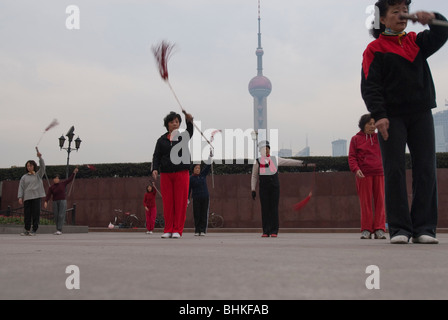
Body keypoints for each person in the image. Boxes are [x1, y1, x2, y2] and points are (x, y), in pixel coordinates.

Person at [361, 0, 448, 244]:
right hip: (392, 117)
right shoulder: (374, 49)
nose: (402, 15)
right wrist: (379, 115)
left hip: (421, 113)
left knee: (425, 169)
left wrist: (430, 17)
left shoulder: (416, 42)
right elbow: (371, 86)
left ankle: (424, 228)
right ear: (382, 19)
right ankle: (399, 228)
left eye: (405, 10)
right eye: (396, 11)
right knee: (395, 170)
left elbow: (444, 31)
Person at [251, 141, 315, 237]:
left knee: (274, 209)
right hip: (263, 188)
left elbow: (289, 162)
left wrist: (302, 163)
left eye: (267, 149)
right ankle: (265, 231)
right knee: (265, 209)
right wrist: (253, 189)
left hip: (274, 187)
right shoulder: (257, 161)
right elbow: (254, 176)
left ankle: (274, 231)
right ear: (260, 151)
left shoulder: (275, 159)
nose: (266, 151)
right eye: (264, 149)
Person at [151, 111, 194, 239]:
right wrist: (155, 168)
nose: (175, 124)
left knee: (180, 203)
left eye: (177, 121)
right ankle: (168, 229)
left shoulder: (183, 136)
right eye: (172, 122)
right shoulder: (161, 140)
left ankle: (177, 230)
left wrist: (189, 120)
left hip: (181, 173)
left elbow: (191, 130)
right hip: (166, 174)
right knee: (168, 203)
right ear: (167, 124)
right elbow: (156, 156)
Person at [349, 114, 386, 240]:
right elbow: (352, 157)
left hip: (380, 172)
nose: (372, 126)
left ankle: (380, 229)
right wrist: (356, 169)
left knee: (380, 201)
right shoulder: (355, 139)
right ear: (363, 125)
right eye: (369, 124)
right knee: (365, 203)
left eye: (373, 124)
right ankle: (366, 229)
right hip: (363, 174)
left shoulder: (379, 137)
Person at [18, 149, 46, 236]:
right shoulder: (24, 177)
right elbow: (21, 187)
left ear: (34, 166)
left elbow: (43, 167)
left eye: (30, 165)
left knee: (35, 214)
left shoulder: (38, 175)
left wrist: (40, 157)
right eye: (27, 166)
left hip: (36, 197)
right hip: (27, 197)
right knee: (27, 214)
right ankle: (27, 229)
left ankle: (34, 230)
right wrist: (20, 197)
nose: (29, 167)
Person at [44, 167, 78, 235]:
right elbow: (48, 195)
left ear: (59, 179)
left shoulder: (63, 183)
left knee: (61, 215)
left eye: (57, 178)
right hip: (55, 202)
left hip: (62, 201)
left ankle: (59, 229)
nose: (56, 179)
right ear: (53, 179)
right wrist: (46, 201)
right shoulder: (51, 187)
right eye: (55, 178)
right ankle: (58, 229)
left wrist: (74, 173)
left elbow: (70, 179)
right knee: (56, 215)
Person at [189, 156, 212, 236]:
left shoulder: (203, 175)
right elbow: (189, 189)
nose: (198, 169)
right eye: (196, 168)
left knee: (204, 214)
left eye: (199, 168)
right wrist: (187, 199)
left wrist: (210, 158)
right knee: (197, 214)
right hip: (196, 198)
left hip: (205, 197)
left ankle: (202, 230)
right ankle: (197, 230)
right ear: (193, 169)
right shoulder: (191, 178)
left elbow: (208, 166)